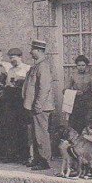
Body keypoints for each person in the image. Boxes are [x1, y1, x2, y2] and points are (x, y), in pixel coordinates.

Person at [22, 39, 55, 170]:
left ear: (39, 51)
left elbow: (44, 88)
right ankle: (37, 158)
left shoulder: (43, 66)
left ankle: (44, 161)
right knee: (35, 133)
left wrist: (38, 105)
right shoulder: (37, 65)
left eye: (33, 49)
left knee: (41, 134)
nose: (30, 52)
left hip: (41, 107)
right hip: (34, 106)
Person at [3, 48, 31, 162]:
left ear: (20, 57)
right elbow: (8, 84)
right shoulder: (10, 70)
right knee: (11, 128)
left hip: (22, 100)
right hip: (11, 101)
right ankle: (12, 155)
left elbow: (29, 85)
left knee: (22, 128)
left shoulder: (27, 69)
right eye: (10, 58)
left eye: (13, 58)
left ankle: (24, 156)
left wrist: (20, 82)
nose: (11, 60)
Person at [66, 55, 92, 137]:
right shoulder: (73, 75)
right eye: (79, 65)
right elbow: (65, 90)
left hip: (87, 102)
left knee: (86, 122)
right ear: (76, 66)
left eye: (83, 65)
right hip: (75, 102)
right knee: (75, 124)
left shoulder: (91, 76)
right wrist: (75, 92)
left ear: (86, 66)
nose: (81, 67)